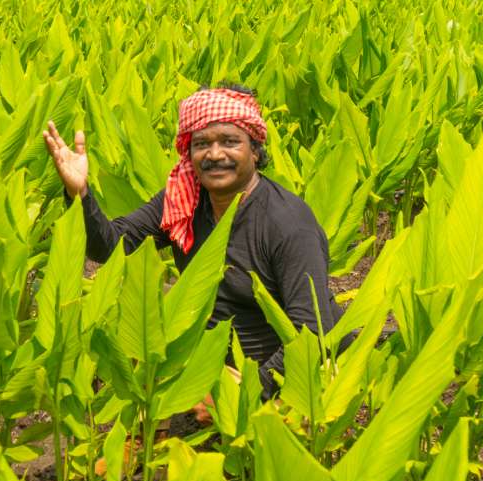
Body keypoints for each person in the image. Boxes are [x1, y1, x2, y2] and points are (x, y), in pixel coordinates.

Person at [42, 84, 345, 408]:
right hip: (210, 370)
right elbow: (111, 247)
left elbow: (312, 328)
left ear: (255, 151)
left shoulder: (287, 222)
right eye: (202, 144)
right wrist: (80, 193)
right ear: (189, 153)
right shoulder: (183, 202)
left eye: (230, 141)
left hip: (288, 382)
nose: (215, 154)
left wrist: (250, 390)